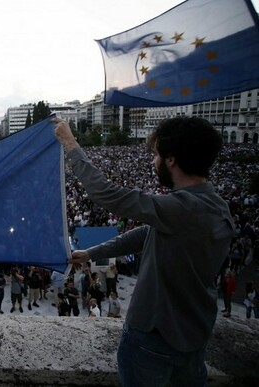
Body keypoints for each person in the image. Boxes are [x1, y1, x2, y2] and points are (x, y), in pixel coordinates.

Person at [53, 117, 234, 386]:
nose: (153, 162)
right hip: (193, 336)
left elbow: (106, 194)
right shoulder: (215, 205)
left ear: (171, 159)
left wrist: (70, 143)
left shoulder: (182, 207)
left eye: (156, 154)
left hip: (154, 338)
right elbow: (145, 234)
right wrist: (92, 253)